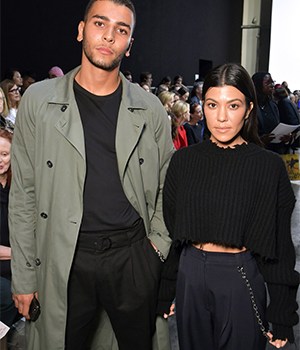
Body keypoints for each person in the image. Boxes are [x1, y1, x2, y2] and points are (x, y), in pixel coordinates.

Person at [9, 1, 175, 350]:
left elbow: (167, 187)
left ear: (129, 45)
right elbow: (24, 193)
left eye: (121, 29)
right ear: (82, 29)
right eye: (100, 23)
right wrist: (24, 277)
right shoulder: (39, 102)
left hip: (132, 256)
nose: (109, 36)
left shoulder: (150, 110)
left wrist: (155, 250)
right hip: (64, 257)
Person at [163, 63, 299, 350]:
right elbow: (173, 234)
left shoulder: (267, 166)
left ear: (249, 108)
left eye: (233, 105)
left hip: (239, 275)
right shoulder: (183, 162)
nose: (221, 117)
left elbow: (280, 247)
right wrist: (167, 288)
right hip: (190, 275)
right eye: (212, 104)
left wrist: (282, 315)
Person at [0, 128, 21, 350]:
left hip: (18, 267)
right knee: (8, 295)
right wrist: (20, 253)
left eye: (5, 154)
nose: (0, 160)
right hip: (5, 268)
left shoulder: (19, 187)